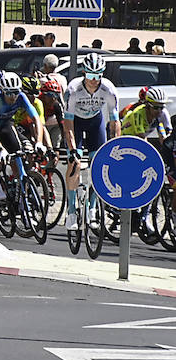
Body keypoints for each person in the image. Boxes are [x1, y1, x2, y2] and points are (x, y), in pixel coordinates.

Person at [60, 52, 120, 231]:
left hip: (95, 122)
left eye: (98, 75)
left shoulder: (109, 89)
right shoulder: (73, 90)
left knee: (99, 165)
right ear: (84, 73)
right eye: (90, 75)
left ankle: (91, 208)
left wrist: (113, 147)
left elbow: (114, 122)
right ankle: (71, 211)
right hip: (75, 123)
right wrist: (72, 150)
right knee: (74, 164)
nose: (94, 80)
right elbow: (68, 124)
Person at [0, 72, 43, 201]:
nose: (13, 97)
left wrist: (39, 142)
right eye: (9, 93)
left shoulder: (21, 97)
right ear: (2, 90)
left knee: (17, 154)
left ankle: (21, 193)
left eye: (15, 92)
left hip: (5, 124)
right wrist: (0, 149)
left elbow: (36, 119)